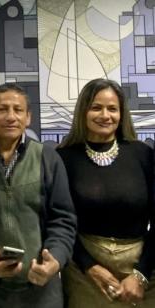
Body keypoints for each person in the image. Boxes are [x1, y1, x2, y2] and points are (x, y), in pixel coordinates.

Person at [0, 83, 77, 308]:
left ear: (28, 117)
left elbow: (63, 219)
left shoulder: (48, 158)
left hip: (40, 285)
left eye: (18, 110)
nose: (11, 117)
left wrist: (54, 260)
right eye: (2, 109)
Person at [57, 78, 155, 307]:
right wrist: (91, 267)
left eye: (112, 108)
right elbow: (61, 221)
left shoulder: (143, 155)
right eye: (96, 107)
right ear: (83, 111)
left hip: (142, 269)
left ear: (122, 114)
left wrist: (140, 274)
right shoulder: (62, 159)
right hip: (85, 272)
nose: (105, 115)